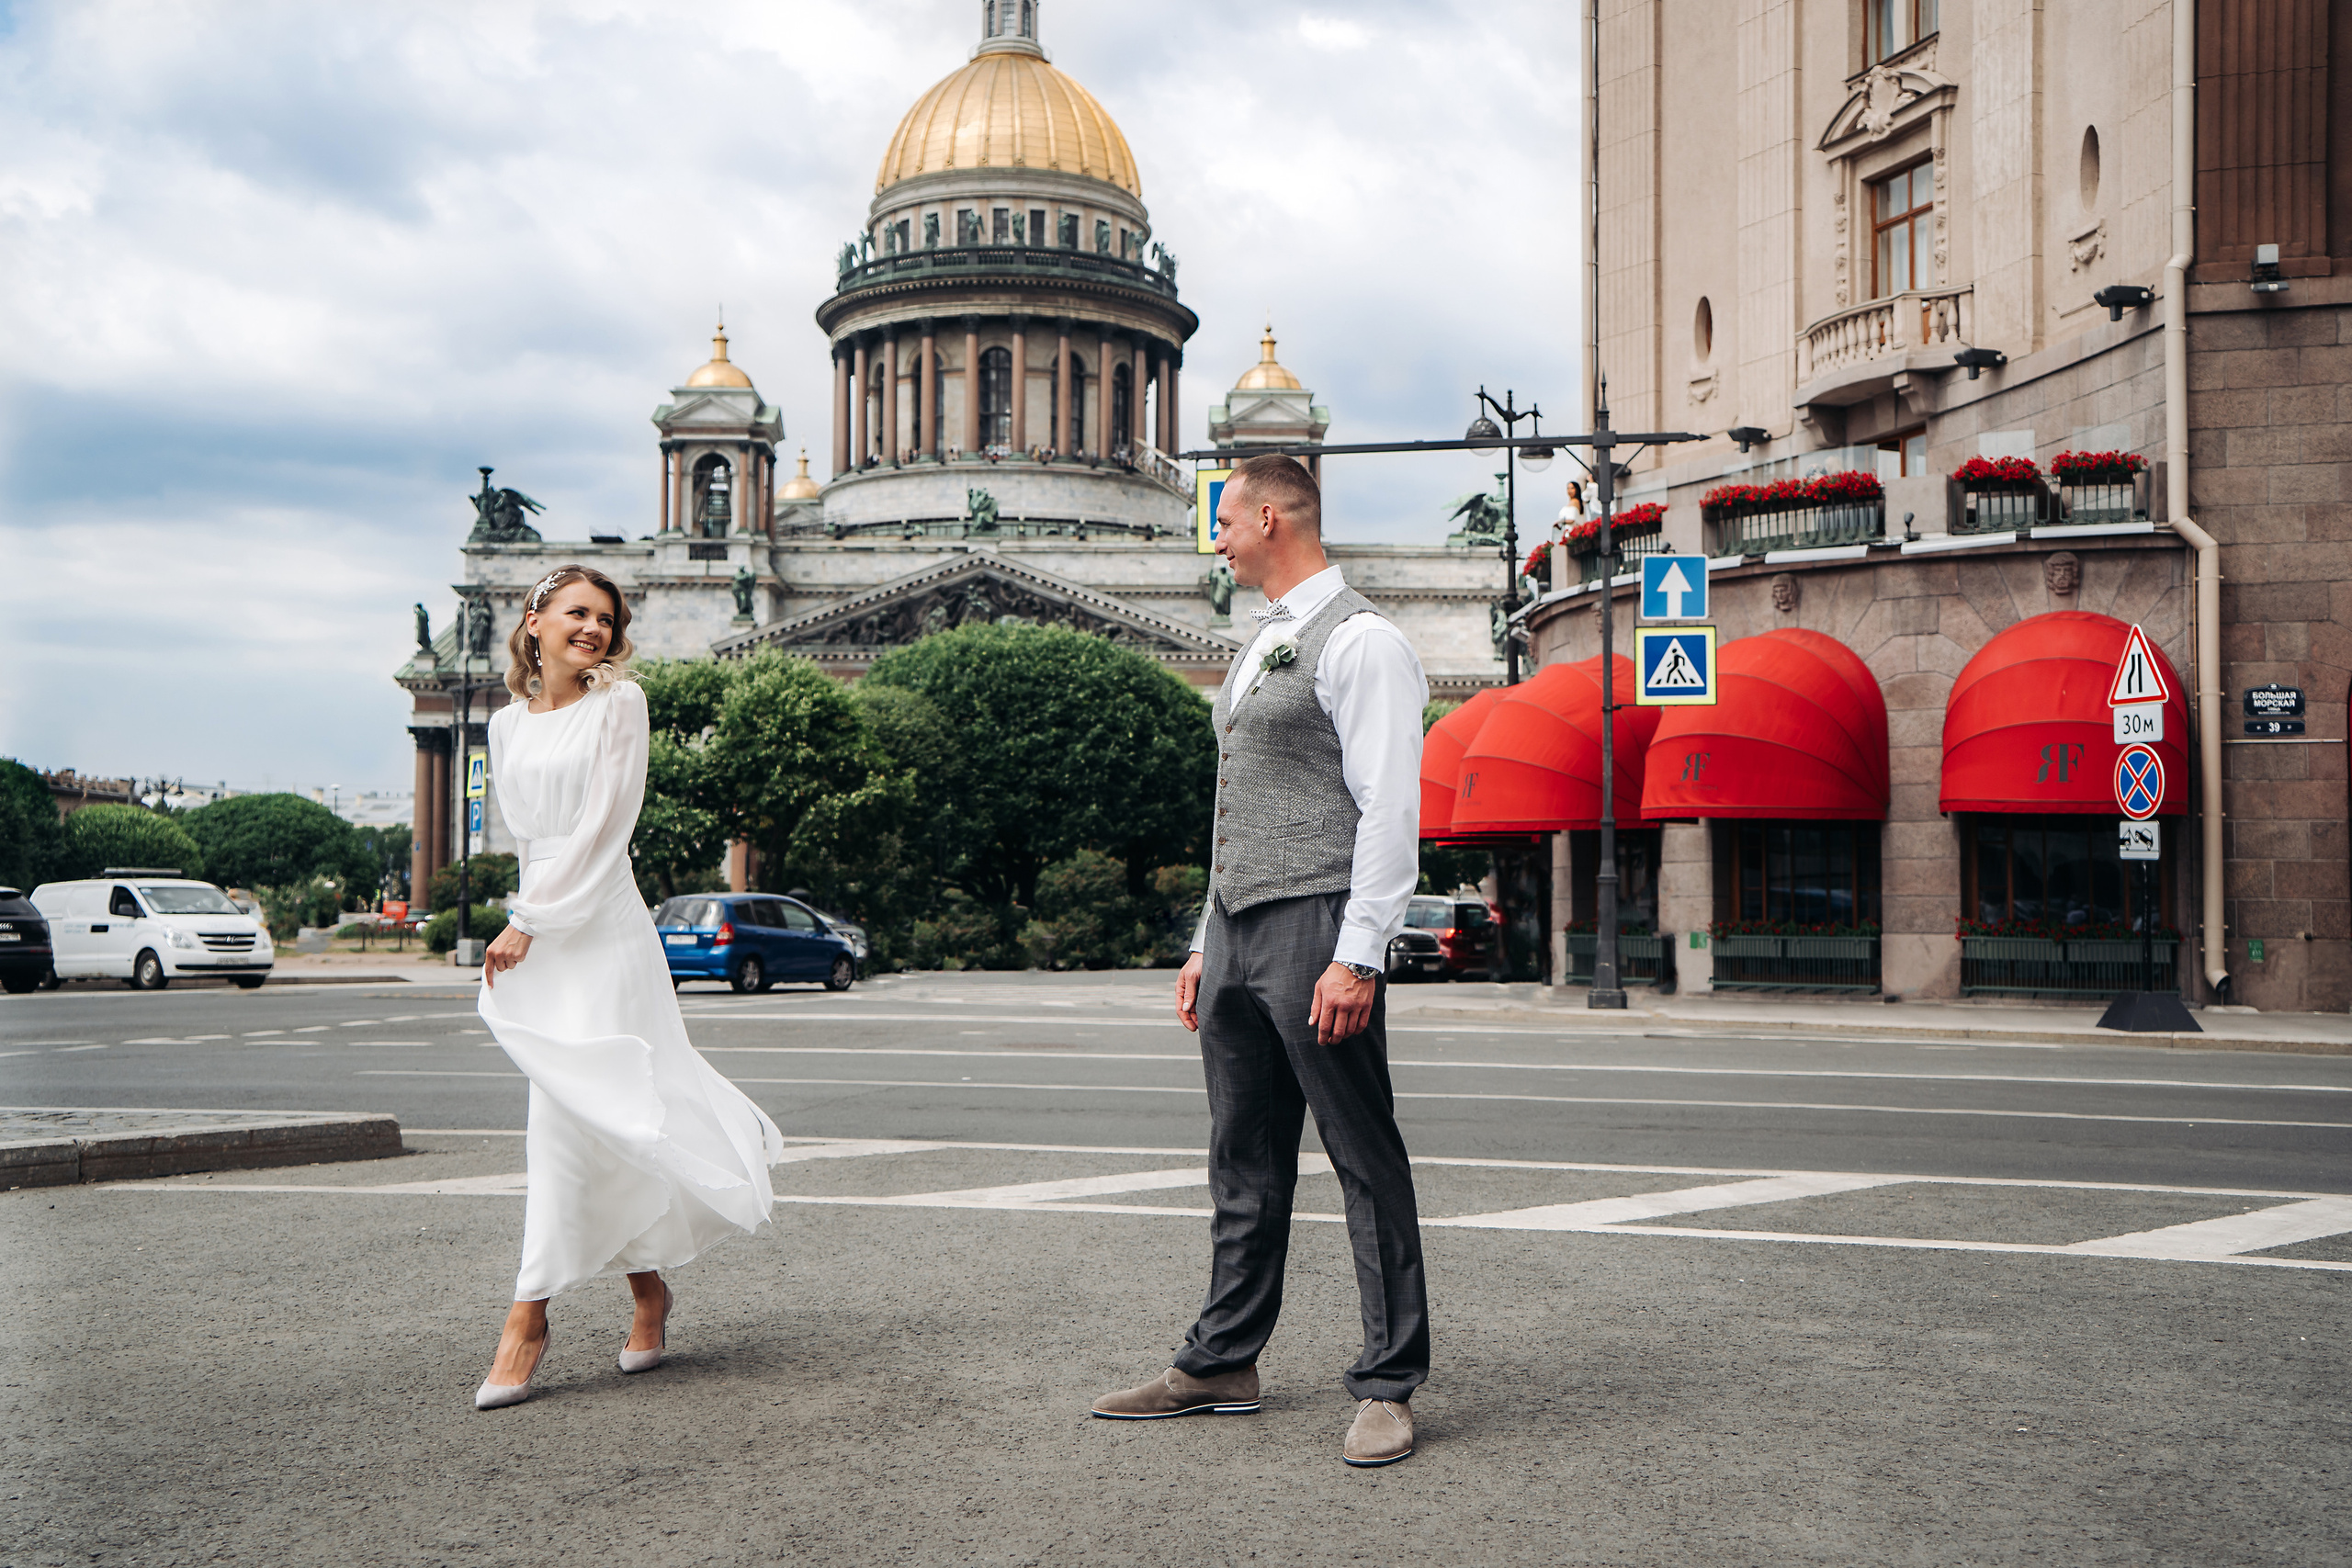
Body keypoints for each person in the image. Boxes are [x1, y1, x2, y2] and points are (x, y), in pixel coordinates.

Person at [1091, 454, 1431, 1467]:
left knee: (1362, 1158)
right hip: (1240, 927)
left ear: (1272, 517)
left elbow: (1389, 810)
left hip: (1318, 921)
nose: (1219, 540)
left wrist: (1357, 955)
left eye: (1227, 522)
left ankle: (1388, 1384)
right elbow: (1233, 808)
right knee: (1241, 1155)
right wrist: (1205, 940)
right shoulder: (1259, 645)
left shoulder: (1364, 641)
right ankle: (1221, 1360)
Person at [469, 564, 786, 1411]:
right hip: (539, 926)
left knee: (574, 1111)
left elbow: (607, 827)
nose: (594, 630)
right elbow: (529, 837)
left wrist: (528, 918)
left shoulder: (622, 705)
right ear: (534, 620)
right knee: (591, 1111)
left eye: (606, 618)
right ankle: (649, 1291)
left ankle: (526, 1318)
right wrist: (527, 916)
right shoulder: (503, 724)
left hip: (599, 926)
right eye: (577, 613)